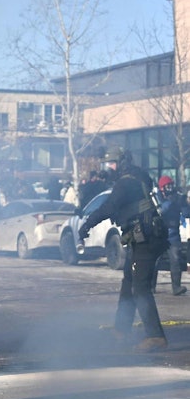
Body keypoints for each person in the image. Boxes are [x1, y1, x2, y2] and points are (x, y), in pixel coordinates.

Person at [77, 148, 168, 351]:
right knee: (129, 283)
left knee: (140, 288)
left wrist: (87, 224)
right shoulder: (136, 177)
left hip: (146, 239)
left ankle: (155, 336)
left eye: (111, 163)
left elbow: (109, 207)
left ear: (122, 162)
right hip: (142, 237)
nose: (108, 168)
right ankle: (121, 330)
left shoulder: (126, 182)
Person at [157, 175, 188, 296]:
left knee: (175, 260)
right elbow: (160, 210)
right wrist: (169, 202)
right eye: (167, 186)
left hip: (173, 234)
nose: (170, 188)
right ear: (162, 188)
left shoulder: (177, 197)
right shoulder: (157, 197)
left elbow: (186, 213)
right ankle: (150, 286)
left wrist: (185, 203)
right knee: (154, 261)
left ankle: (176, 287)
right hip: (159, 234)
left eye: (171, 185)